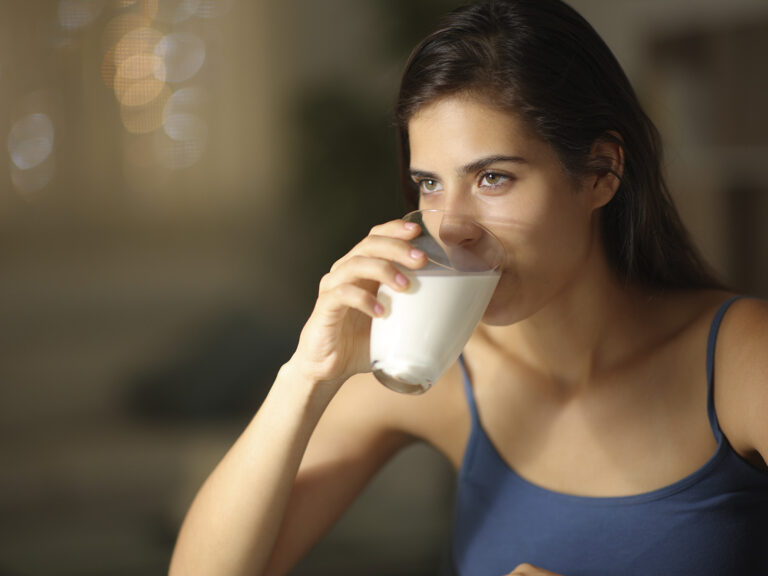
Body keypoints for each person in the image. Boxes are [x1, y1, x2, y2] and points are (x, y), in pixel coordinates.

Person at [169, 1, 768, 574]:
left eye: (493, 177)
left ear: (601, 173)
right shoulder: (438, 370)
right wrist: (306, 375)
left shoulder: (741, 360)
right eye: (429, 183)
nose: (451, 225)